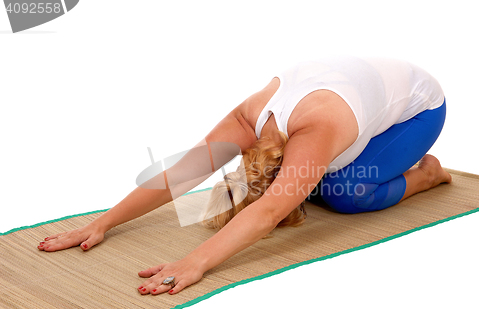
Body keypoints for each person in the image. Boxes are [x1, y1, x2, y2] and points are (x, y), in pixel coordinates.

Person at [37, 55, 452, 295]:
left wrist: (194, 263)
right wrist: (101, 224)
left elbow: (271, 211)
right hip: (358, 91)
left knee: (343, 194)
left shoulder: (316, 131)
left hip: (422, 109)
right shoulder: (248, 119)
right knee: (323, 182)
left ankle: (427, 176)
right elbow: (179, 176)